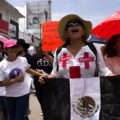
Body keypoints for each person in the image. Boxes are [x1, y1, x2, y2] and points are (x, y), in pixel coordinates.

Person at [39, 14, 112, 83]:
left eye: (78, 24)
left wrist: (113, 76)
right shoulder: (59, 51)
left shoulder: (94, 48)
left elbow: (103, 71)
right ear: (66, 32)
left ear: (83, 31)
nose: (74, 25)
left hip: (90, 94)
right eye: (70, 25)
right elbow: (56, 73)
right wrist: (47, 77)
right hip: (66, 94)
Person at [0, 40, 42, 120]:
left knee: (19, 117)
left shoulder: (23, 60)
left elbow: (28, 69)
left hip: (23, 94)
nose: (14, 49)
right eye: (11, 48)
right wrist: (15, 80)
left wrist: (40, 74)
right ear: (5, 50)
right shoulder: (2, 65)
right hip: (9, 96)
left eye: (15, 47)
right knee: (11, 117)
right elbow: (1, 83)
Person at [33, 43, 53, 116]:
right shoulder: (35, 57)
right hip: (38, 80)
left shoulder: (50, 55)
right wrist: (37, 71)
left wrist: (47, 55)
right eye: (42, 47)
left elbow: (55, 64)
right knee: (40, 95)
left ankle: (48, 108)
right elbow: (32, 68)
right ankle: (43, 108)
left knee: (49, 96)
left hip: (49, 79)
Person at [16, 39, 35, 120]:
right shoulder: (15, 57)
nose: (17, 48)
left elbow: (33, 69)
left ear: (23, 47)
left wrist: (31, 75)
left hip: (26, 82)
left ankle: (25, 116)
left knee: (24, 100)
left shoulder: (29, 58)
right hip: (16, 82)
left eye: (19, 46)